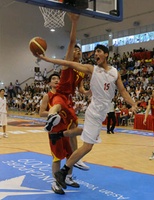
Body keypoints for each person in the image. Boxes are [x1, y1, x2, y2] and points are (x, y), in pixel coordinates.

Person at [37, 44, 138, 190]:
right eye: (94, 52)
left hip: (102, 112)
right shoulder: (92, 69)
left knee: (81, 132)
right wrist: (45, 58)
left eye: (98, 51)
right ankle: (64, 171)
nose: (95, 54)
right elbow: (68, 63)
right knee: (88, 146)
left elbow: (122, 90)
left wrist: (132, 104)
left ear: (106, 55)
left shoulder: (115, 72)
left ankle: (58, 135)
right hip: (94, 112)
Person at [43, 13, 90, 171]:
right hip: (60, 95)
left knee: (74, 129)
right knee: (56, 105)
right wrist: (74, 23)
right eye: (75, 50)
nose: (76, 52)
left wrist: (91, 93)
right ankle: (51, 119)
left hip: (69, 99)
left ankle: (75, 157)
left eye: (78, 51)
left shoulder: (82, 71)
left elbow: (81, 89)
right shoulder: (68, 63)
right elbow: (71, 41)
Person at [39, 73, 80, 194]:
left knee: (71, 154)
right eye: (53, 79)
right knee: (57, 157)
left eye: (58, 79)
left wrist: (75, 109)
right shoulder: (48, 96)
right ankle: (55, 183)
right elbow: (41, 113)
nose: (57, 80)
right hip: (55, 131)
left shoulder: (65, 96)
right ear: (50, 83)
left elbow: (69, 112)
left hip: (67, 130)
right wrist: (55, 113)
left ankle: (68, 178)